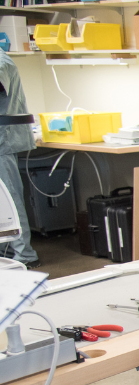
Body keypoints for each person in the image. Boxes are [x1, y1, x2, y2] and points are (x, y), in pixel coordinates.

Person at [0, 49, 39, 268]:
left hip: (3, 140)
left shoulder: (1, 61)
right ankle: (5, 250)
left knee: (10, 198)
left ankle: (25, 254)